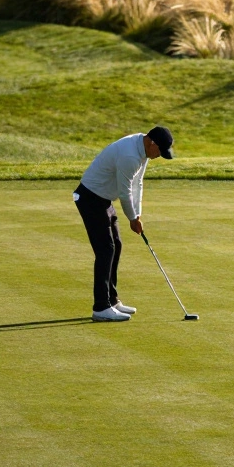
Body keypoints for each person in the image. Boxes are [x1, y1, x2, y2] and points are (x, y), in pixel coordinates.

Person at [73, 126, 175, 322]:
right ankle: (101, 307)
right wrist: (131, 218)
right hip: (90, 198)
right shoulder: (130, 155)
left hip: (103, 199)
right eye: (160, 152)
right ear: (152, 143)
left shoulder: (142, 150)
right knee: (105, 249)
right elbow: (124, 192)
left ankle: (112, 300)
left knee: (116, 245)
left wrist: (137, 215)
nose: (159, 156)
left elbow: (138, 185)